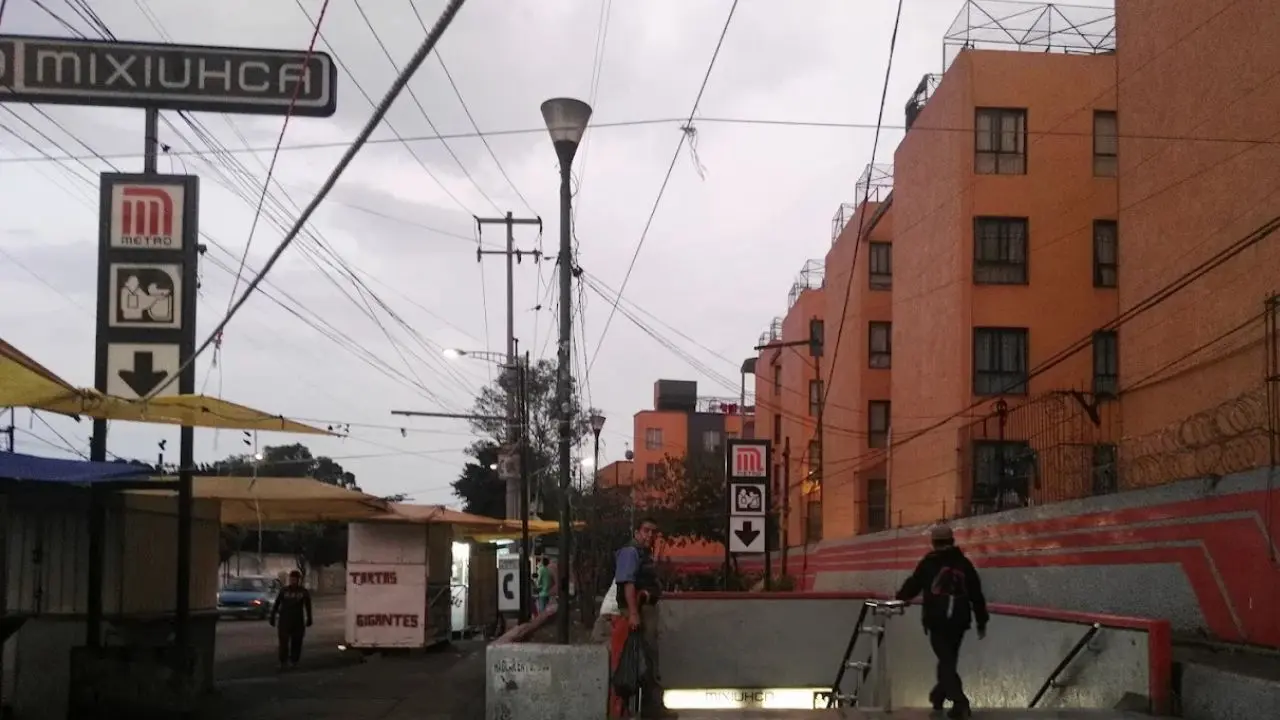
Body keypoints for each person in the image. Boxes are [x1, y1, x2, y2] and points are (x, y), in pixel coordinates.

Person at [895, 524, 988, 719]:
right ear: (952, 541)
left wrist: (899, 599)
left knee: (945, 660)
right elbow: (976, 593)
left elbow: (913, 584)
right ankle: (938, 695)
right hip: (959, 621)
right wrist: (981, 621)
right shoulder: (964, 563)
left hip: (937, 620)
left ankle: (960, 702)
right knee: (948, 660)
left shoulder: (929, 562)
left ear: (933, 542)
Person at [614, 517, 676, 718]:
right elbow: (628, 584)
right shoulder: (630, 552)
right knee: (644, 658)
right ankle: (648, 708)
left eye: (653, 532)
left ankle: (648, 706)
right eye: (646, 531)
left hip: (645, 608)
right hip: (639, 611)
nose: (650, 536)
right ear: (637, 532)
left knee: (647, 658)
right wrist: (633, 613)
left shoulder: (643, 553)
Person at [269, 570, 313, 670]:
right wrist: (272, 617)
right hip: (284, 620)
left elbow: (308, 606)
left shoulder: (303, 592)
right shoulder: (284, 591)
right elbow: (277, 604)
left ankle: (294, 661)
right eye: (292, 579)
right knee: (283, 643)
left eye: (295, 579)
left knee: (296, 642)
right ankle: (283, 662)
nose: (293, 581)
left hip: (298, 621)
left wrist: (309, 618)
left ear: (298, 580)